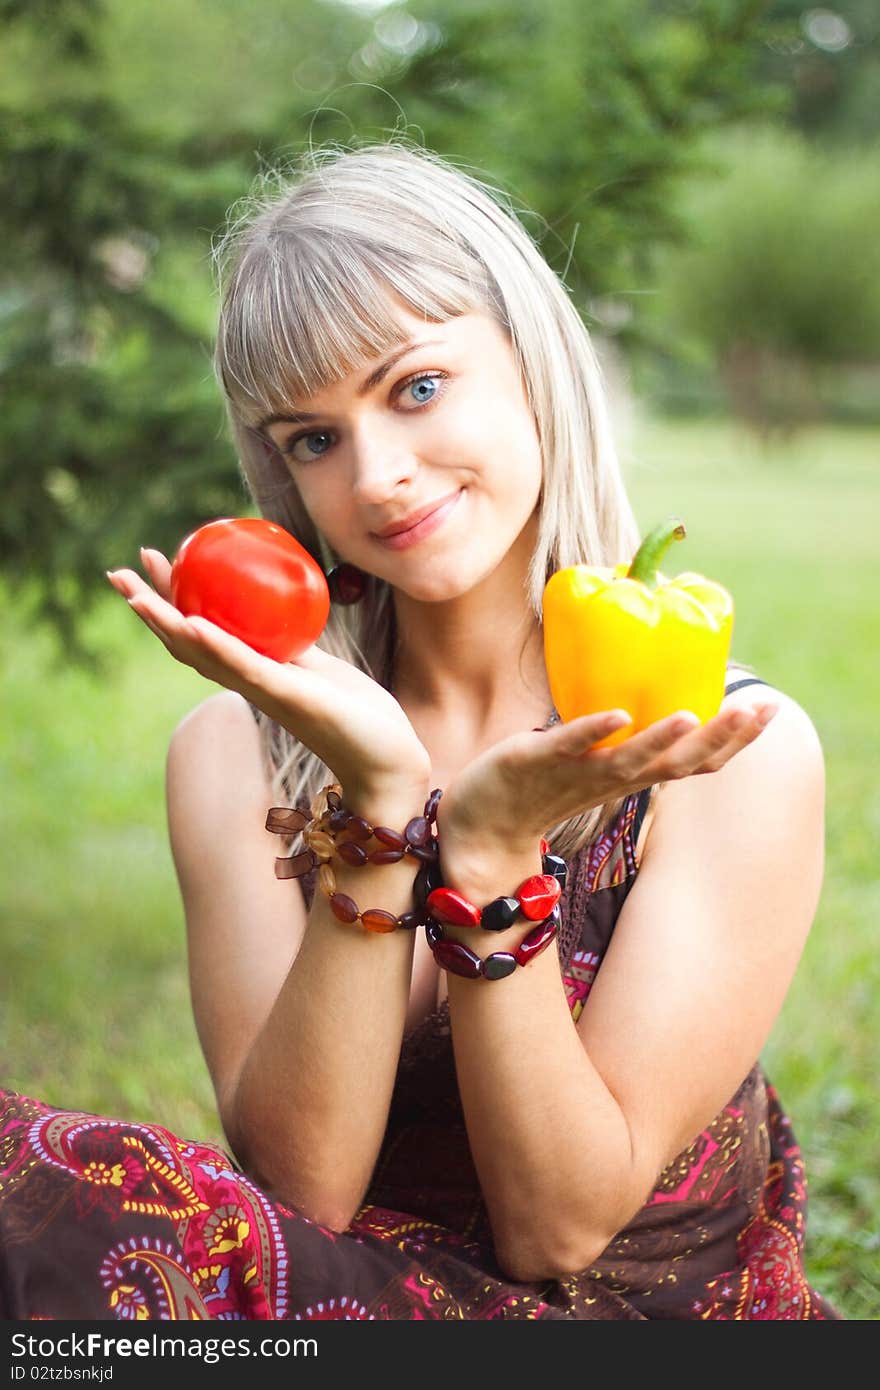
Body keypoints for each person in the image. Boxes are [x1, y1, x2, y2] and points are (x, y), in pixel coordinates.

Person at [0, 141, 838, 1320]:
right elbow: (303, 1193)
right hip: (336, 1296)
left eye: (416, 387)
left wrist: (492, 859)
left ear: (532, 362)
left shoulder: (716, 745)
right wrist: (385, 800)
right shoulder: (232, 754)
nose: (378, 476)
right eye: (313, 438)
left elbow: (559, 1228)